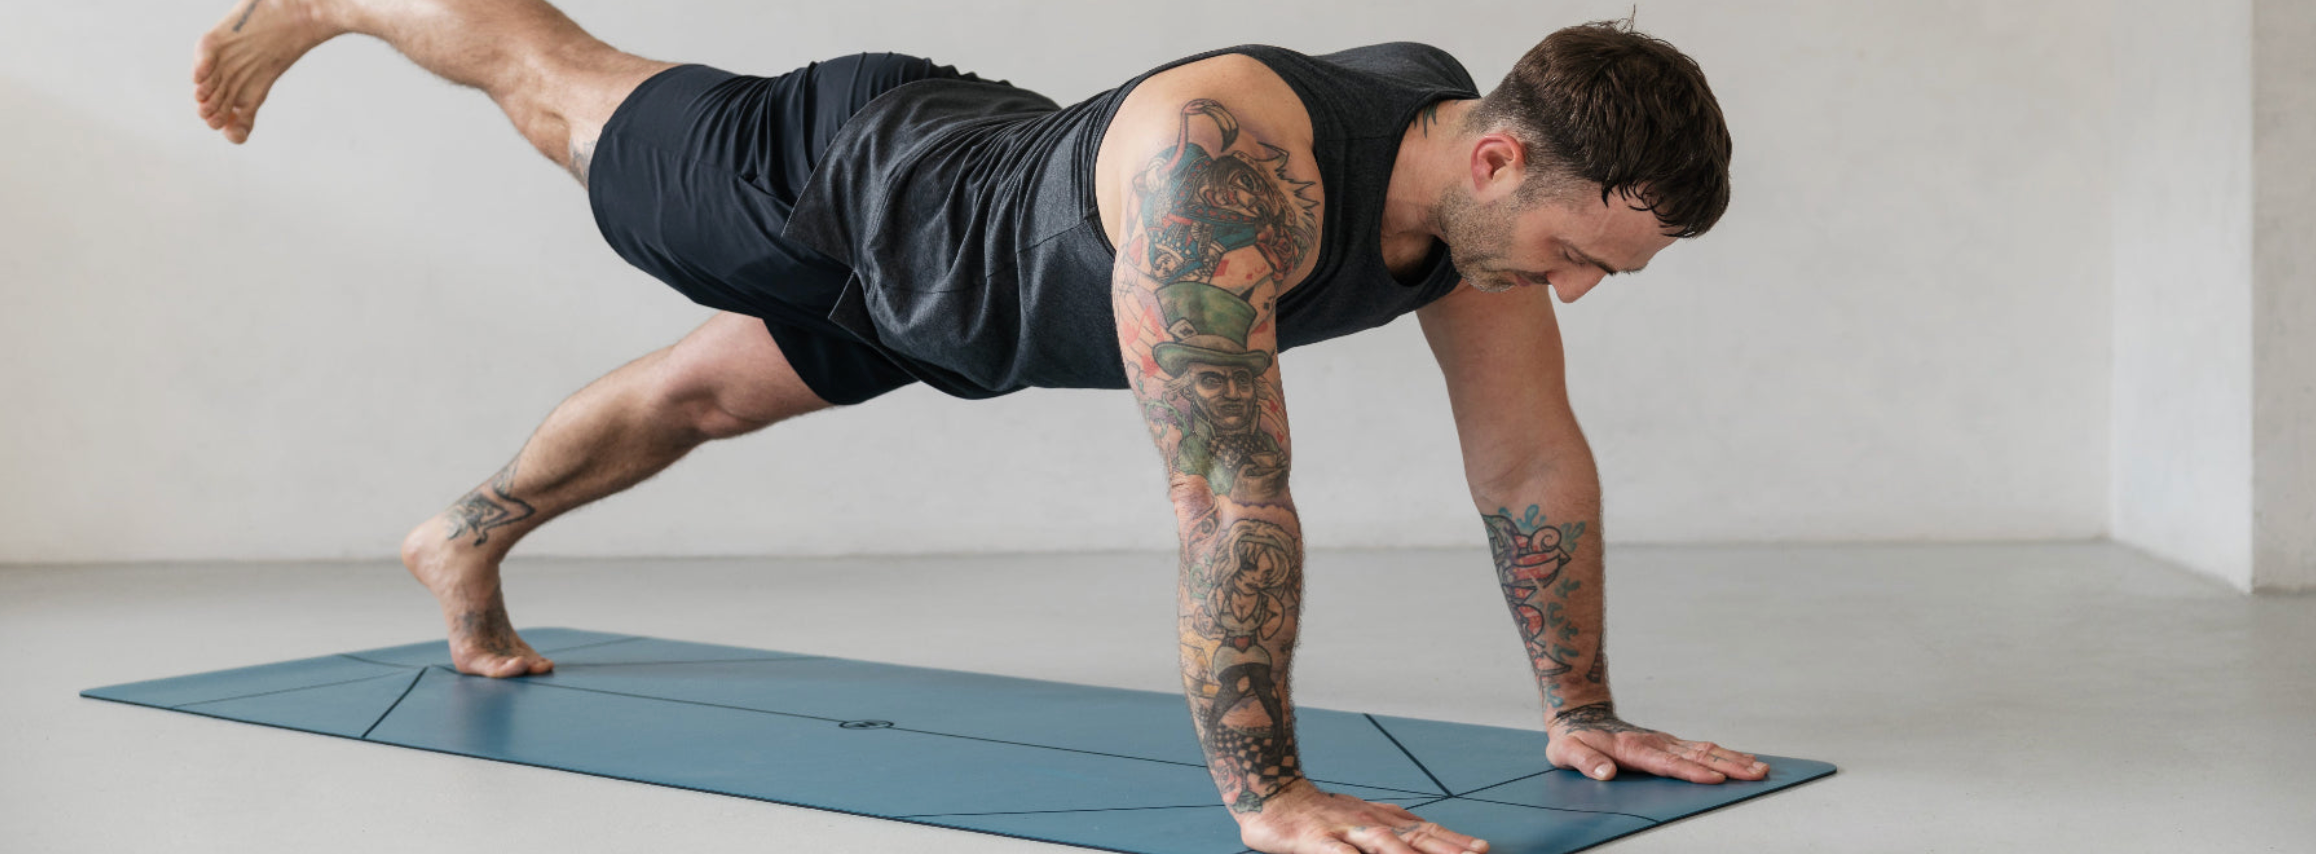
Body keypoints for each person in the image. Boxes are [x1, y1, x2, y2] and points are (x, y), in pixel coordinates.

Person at [191, 2, 1763, 851]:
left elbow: (1526, 459)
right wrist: (1266, 790)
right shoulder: (1222, 178)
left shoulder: (1481, 203)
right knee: (559, 82)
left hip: (971, 286)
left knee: (698, 394)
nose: (1574, 292)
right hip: (842, 179)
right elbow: (1229, 493)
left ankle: (459, 532)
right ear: (1499, 162)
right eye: (1577, 257)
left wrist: (1589, 704)